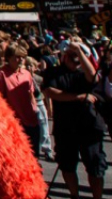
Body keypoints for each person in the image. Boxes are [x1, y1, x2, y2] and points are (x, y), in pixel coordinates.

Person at [43, 37, 106, 199]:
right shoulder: (53, 72)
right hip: (66, 128)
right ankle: (74, 196)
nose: (75, 58)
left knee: (95, 167)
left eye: (78, 55)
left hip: (89, 127)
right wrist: (78, 97)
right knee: (67, 165)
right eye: (71, 54)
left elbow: (92, 76)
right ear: (64, 56)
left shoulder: (85, 72)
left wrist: (79, 50)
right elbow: (50, 91)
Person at [0, 42, 41, 156]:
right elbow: (0, 97)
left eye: (23, 57)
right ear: (9, 58)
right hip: (14, 120)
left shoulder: (26, 74)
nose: (20, 60)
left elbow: (31, 94)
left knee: (33, 154)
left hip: (31, 119)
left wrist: (35, 109)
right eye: (17, 57)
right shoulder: (1, 74)